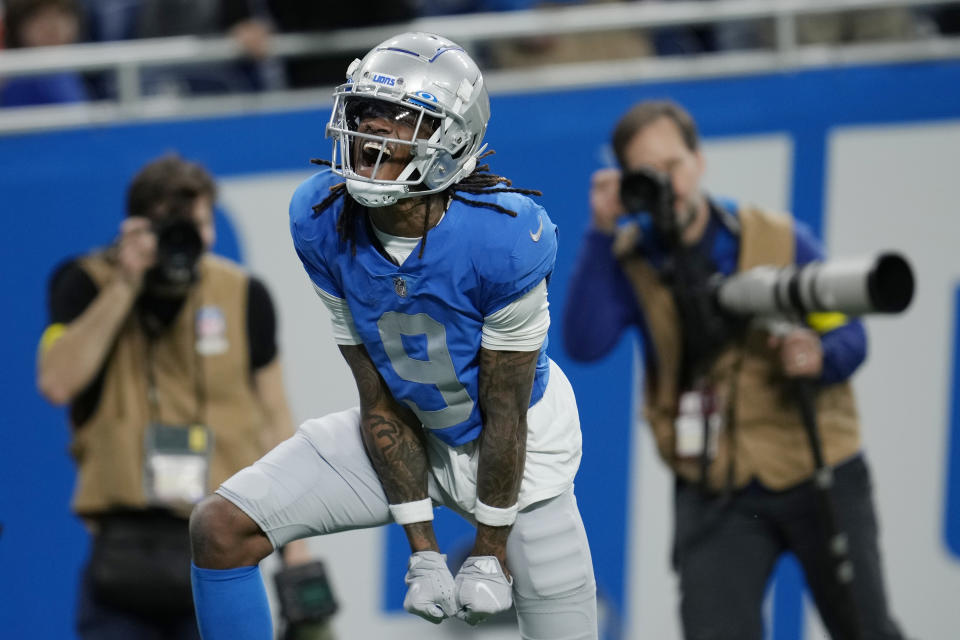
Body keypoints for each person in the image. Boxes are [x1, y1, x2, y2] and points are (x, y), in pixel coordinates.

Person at [188, 31, 598, 640]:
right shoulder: (321, 217)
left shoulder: (505, 237)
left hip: (523, 450)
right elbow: (376, 391)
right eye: (364, 113)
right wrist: (423, 548)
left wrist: (488, 549)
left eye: (399, 118)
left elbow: (504, 410)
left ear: (450, 138)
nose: (370, 134)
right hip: (408, 419)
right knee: (220, 527)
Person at [563, 100, 906, 640]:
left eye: (673, 166)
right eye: (646, 174)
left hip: (818, 465)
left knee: (867, 629)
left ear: (700, 161)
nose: (666, 184)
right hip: (715, 485)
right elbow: (584, 343)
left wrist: (820, 355)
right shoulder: (631, 258)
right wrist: (600, 231)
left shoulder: (777, 237)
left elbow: (849, 332)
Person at [37, 153, 324, 639]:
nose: (190, 240)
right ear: (136, 227)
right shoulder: (88, 283)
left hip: (224, 541)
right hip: (123, 556)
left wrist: (297, 550)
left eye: (202, 225)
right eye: (174, 226)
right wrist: (127, 282)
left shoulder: (243, 294)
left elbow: (276, 419)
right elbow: (57, 383)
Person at [0, 0, 90, 107]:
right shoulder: (13, 83)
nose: (53, 27)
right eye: (39, 17)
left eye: (62, 14)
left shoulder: (74, 73)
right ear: (18, 26)